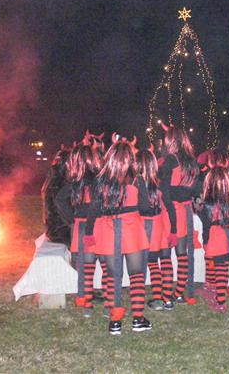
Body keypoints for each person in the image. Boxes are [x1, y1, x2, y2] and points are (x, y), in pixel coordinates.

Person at [86, 135, 152, 335]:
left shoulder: (100, 180)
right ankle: (138, 319)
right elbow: (145, 207)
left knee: (113, 277)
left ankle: (115, 322)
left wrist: (89, 233)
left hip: (108, 230)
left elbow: (94, 209)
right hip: (132, 229)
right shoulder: (137, 179)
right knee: (137, 275)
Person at [55, 143, 105, 317]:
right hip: (97, 223)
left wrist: (71, 219)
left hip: (82, 225)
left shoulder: (76, 181)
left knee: (83, 265)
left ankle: (85, 300)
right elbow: (96, 204)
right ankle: (105, 300)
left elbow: (59, 199)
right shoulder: (98, 178)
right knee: (103, 264)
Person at [158, 124, 201, 308]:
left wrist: (172, 220)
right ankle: (179, 293)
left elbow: (165, 192)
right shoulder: (192, 161)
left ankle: (167, 297)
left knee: (166, 254)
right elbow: (196, 189)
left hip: (170, 211)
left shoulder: (170, 160)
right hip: (185, 210)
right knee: (182, 253)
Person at [197, 164, 229, 312]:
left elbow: (206, 225)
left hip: (215, 236)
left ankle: (219, 298)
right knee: (222, 266)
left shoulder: (207, 204)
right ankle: (217, 294)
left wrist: (205, 241)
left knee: (218, 266)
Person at [135, 146, 170, 311]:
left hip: (144, 223)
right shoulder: (158, 181)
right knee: (153, 261)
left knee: (142, 262)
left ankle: (145, 298)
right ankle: (160, 298)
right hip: (158, 222)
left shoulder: (138, 182)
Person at [41, 146, 71, 245]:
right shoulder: (61, 182)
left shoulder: (52, 178)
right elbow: (61, 207)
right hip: (61, 230)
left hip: (53, 228)